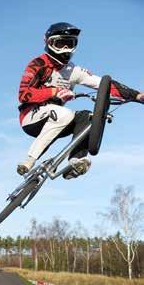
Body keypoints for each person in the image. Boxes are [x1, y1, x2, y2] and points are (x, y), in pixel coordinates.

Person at [17, 22, 144, 179]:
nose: (65, 49)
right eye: (60, 43)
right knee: (64, 114)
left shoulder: (73, 71)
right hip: (31, 117)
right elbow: (23, 94)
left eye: (69, 44)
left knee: (87, 117)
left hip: (58, 118)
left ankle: (76, 161)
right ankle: (28, 161)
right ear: (49, 43)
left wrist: (136, 95)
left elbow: (104, 85)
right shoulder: (38, 64)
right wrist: (54, 92)